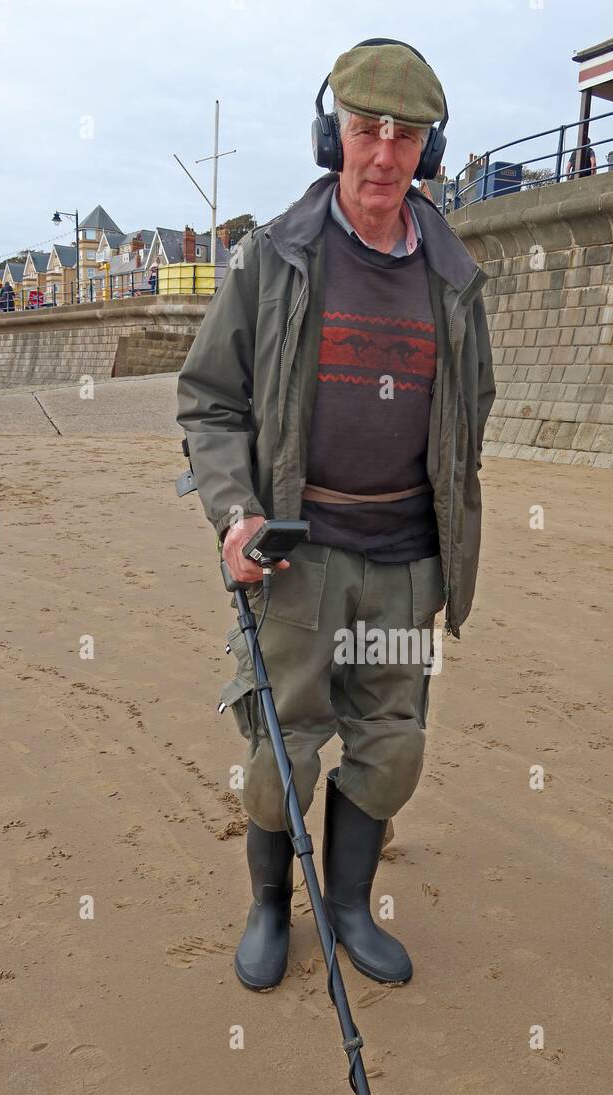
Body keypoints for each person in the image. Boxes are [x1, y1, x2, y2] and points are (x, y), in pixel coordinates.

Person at [176, 38, 495, 992]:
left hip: (405, 560)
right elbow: (208, 400)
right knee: (282, 752)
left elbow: (470, 411)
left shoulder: (455, 277)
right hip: (297, 560)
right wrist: (236, 514)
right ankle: (272, 907)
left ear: (430, 153)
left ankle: (350, 905)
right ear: (333, 137)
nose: (385, 156)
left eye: (408, 137)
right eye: (367, 131)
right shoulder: (270, 259)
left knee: (393, 748)